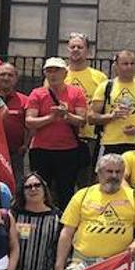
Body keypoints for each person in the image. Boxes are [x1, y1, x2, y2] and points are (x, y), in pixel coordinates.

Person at [25, 57, 89, 208]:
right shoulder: (37, 93)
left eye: (57, 71)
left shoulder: (76, 93)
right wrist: (51, 117)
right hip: (41, 149)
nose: (53, 75)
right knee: (39, 190)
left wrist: (66, 115)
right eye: (49, 71)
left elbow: (82, 120)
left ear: (65, 73)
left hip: (68, 150)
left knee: (66, 191)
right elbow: (29, 122)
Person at [91, 50, 135, 158]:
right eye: (125, 64)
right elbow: (91, 117)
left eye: (132, 64)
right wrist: (111, 116)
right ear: (116, 66)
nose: (129, 67)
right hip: (110, 143)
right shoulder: (106, 87)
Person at [62, 32, 107, 176]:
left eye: (80, 47)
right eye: (72, 46)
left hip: (89, 138)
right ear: (67, 50)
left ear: (88, 51)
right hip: (63, 135)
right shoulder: (59, 75)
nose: (75, 49)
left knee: (86, 180)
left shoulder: (99, 77)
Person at [0, 63, 29, 187]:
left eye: (10, 75)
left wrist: (25, 144)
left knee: (16, 185)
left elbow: (29, 126)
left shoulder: (24, 100)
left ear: (16, 79)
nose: (6, 78)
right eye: (2, 74)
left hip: (15, 153)